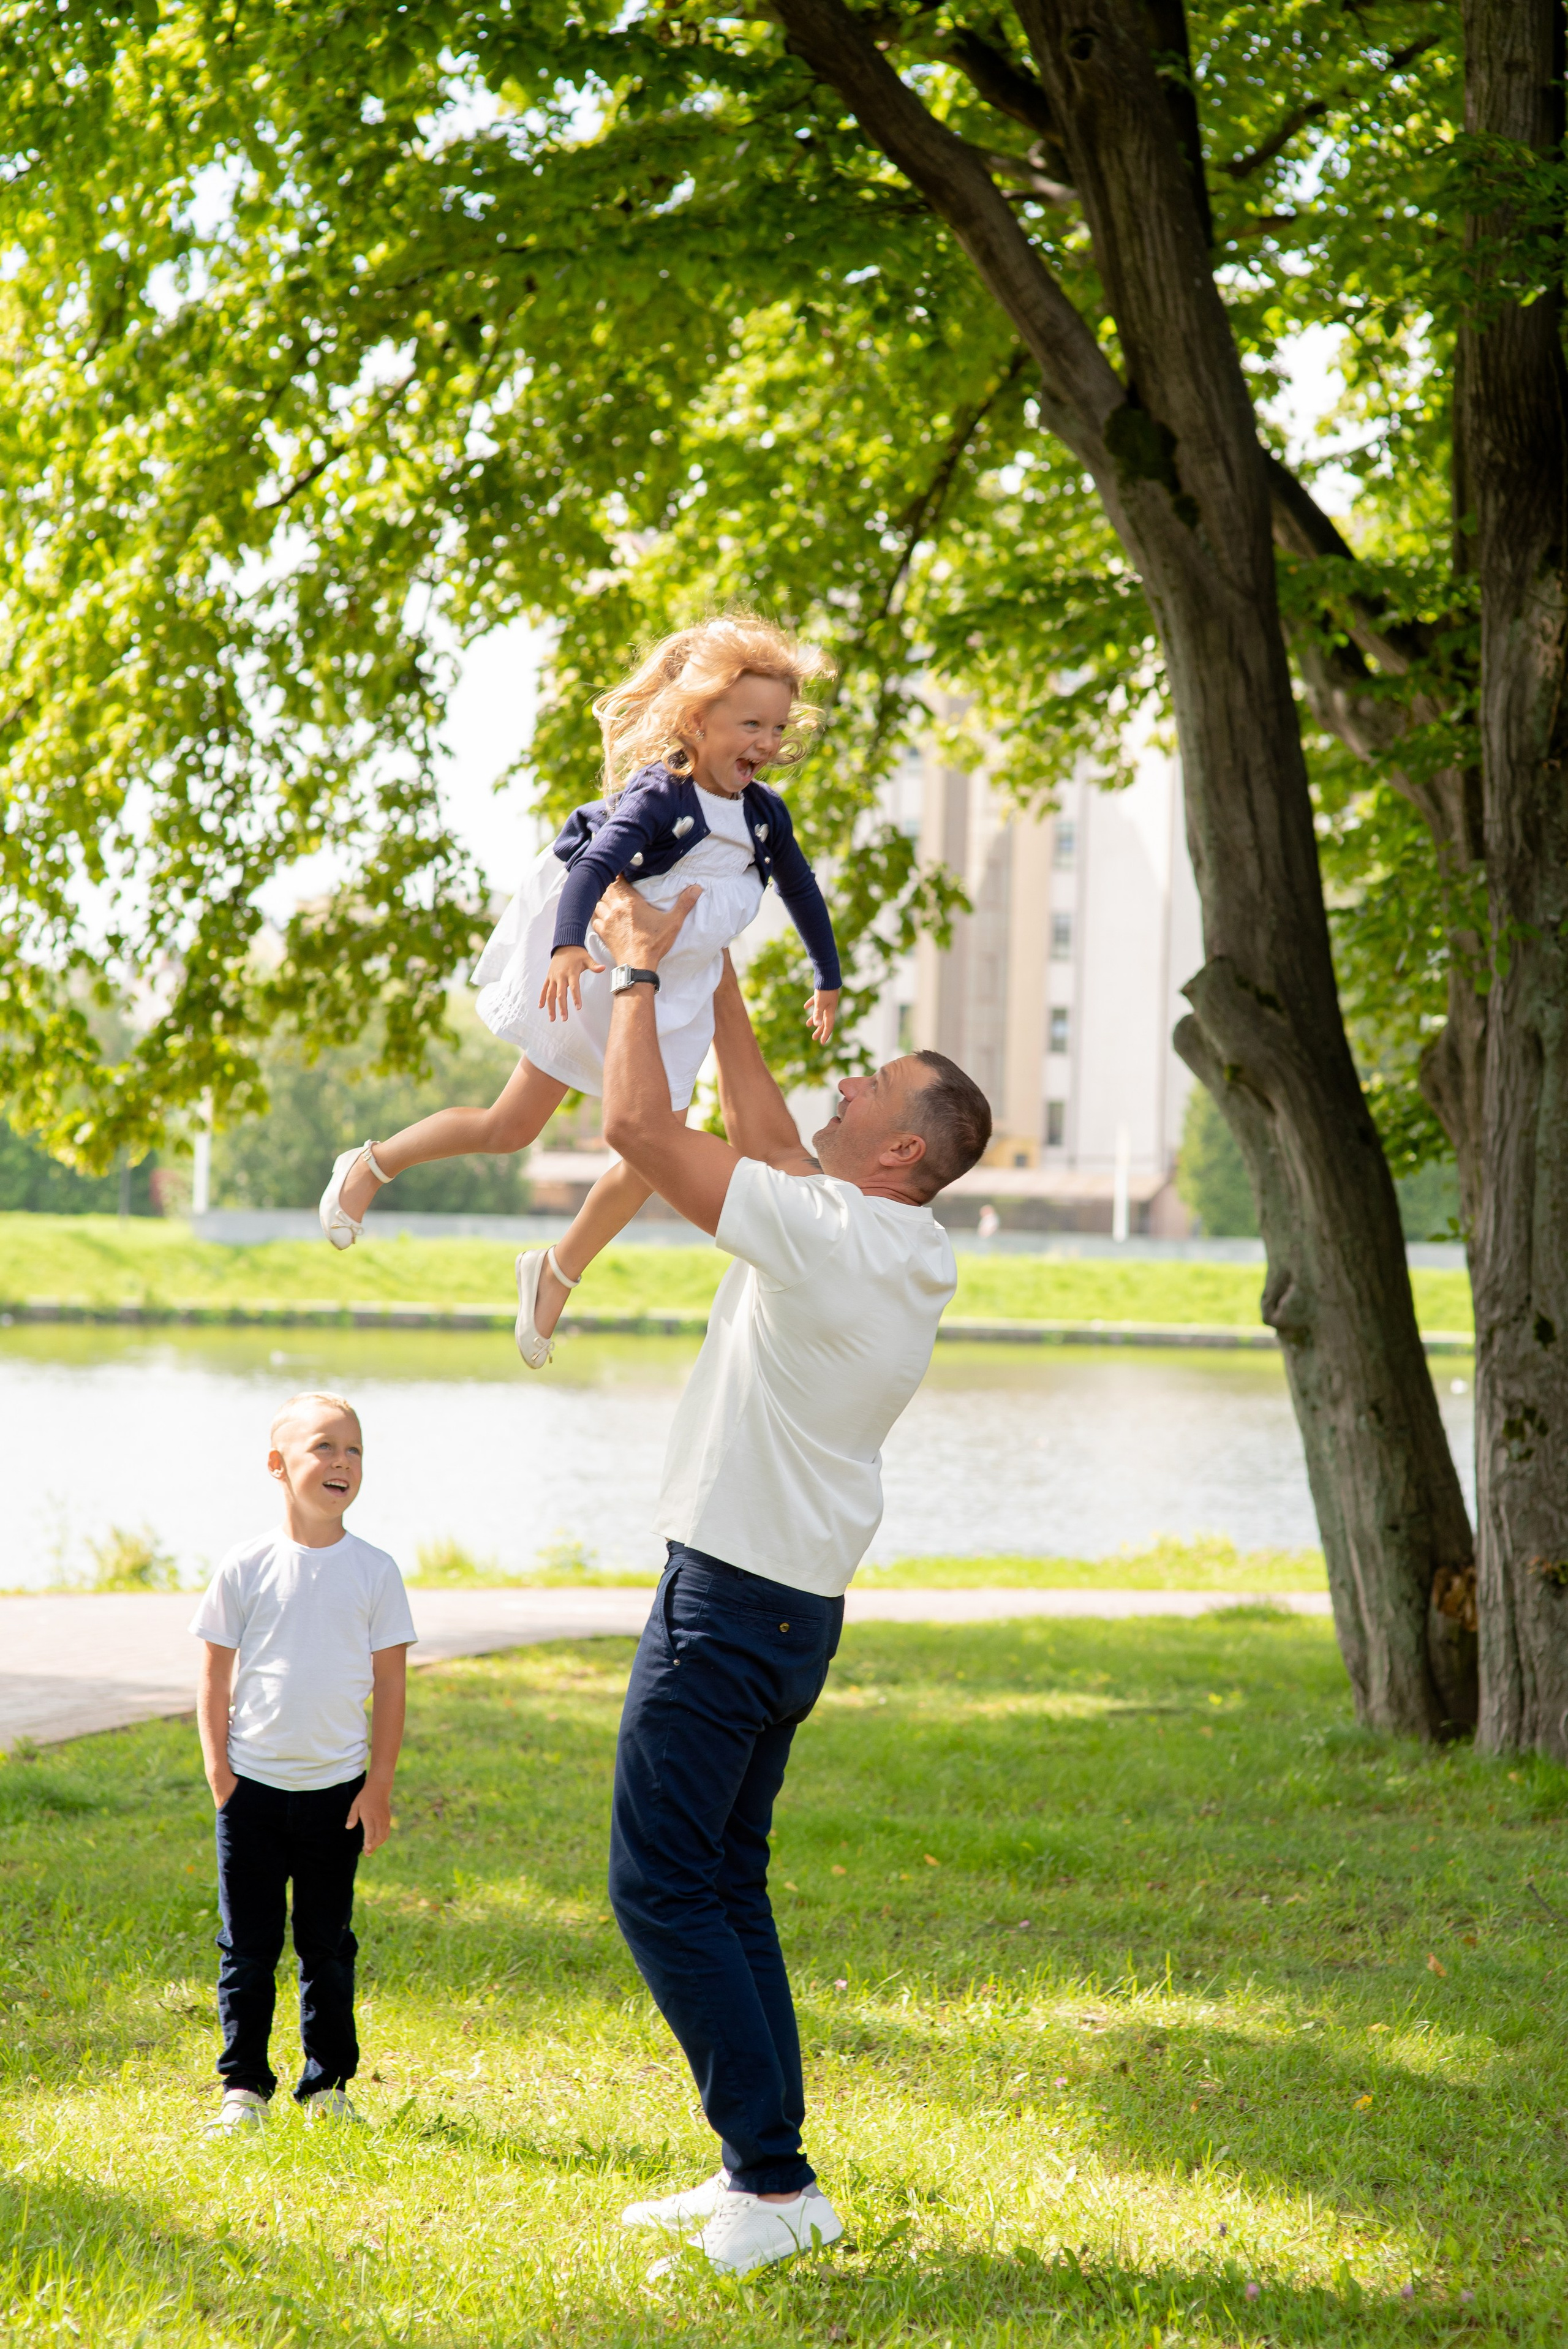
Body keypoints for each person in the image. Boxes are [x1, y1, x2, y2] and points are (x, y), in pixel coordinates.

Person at [587, 881, 992, 2279]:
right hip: (787, 1604)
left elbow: (640, 1131)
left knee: (659, 1885)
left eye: (872, 1081)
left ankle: (772, 2181)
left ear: (898, 1147)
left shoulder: (829, 1234)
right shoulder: (889, 1237)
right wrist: (714, 965)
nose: (848, 1076)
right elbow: (762, 1132)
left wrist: (635, 971)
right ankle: (758, 2166)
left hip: (728, 1599)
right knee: (725, 1878)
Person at [316, 613, 843, 1369]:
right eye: (749, 725)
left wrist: (826, 974)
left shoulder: (764, 815)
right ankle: (372, 1164)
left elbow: (801, 889)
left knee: (656, 1153)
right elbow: (593, 868)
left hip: (677, 990)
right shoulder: (661, 796)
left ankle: (557, 1270)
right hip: (602, 971)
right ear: (696, 723)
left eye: (778, 727)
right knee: (510, 1126)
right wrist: (567, 947)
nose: (765, 743)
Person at [190, 1391, 417, 2138]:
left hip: (337, 1794)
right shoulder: (245, 1565)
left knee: (327, 1944)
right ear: (277, 1464)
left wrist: (378, 1784)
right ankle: (242, 2088)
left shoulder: (375, 1570)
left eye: (354, 1450)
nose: (342, 1462)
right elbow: (214, 1674)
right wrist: (220, 1774)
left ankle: (327, 2085)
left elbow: (391, 1684)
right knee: (247, 1946)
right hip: (251, 1790)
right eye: (324, 1446)